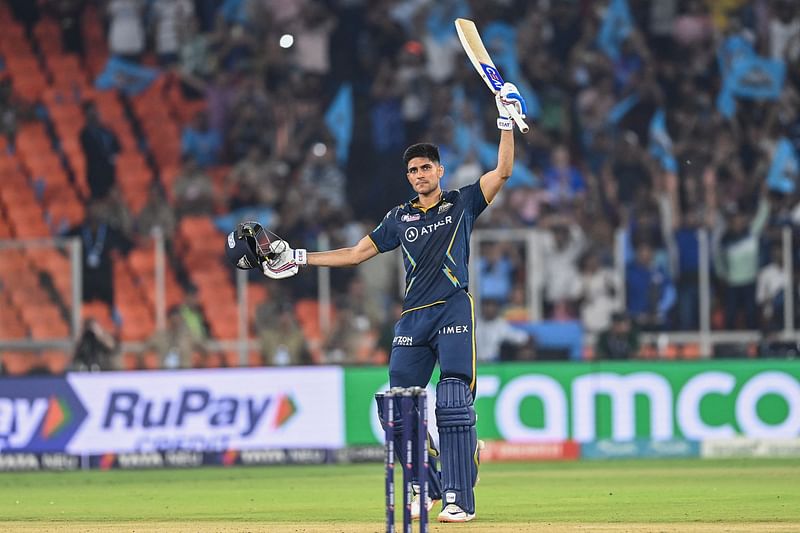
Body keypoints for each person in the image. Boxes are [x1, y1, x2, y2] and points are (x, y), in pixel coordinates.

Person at [224, 82, 526, 523]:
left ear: (440, 171)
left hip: (453, 308)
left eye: (426, 168)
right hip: (412, 319)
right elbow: (353, 254)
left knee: (453, 399)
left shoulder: (461, 204)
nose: (420, 175)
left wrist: (505, 122)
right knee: (398, 406)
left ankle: (460, 497)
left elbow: (502, 172)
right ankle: (427, 487)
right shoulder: (398, 218)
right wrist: (298, 256)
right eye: (413, 171)